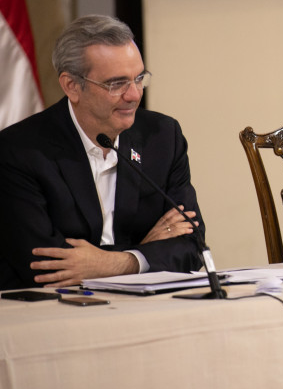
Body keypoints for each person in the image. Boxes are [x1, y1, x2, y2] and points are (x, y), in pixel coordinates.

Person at [0, 15, 203, 290]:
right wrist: (144, 251)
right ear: (72, 86)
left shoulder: (162, 137)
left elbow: (192, 246)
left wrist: (120, 262)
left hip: (144, 306)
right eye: (116, 84)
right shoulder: (19, 151)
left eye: (139, 78)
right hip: (53, 308)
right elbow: (44, 267)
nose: (134, 95)